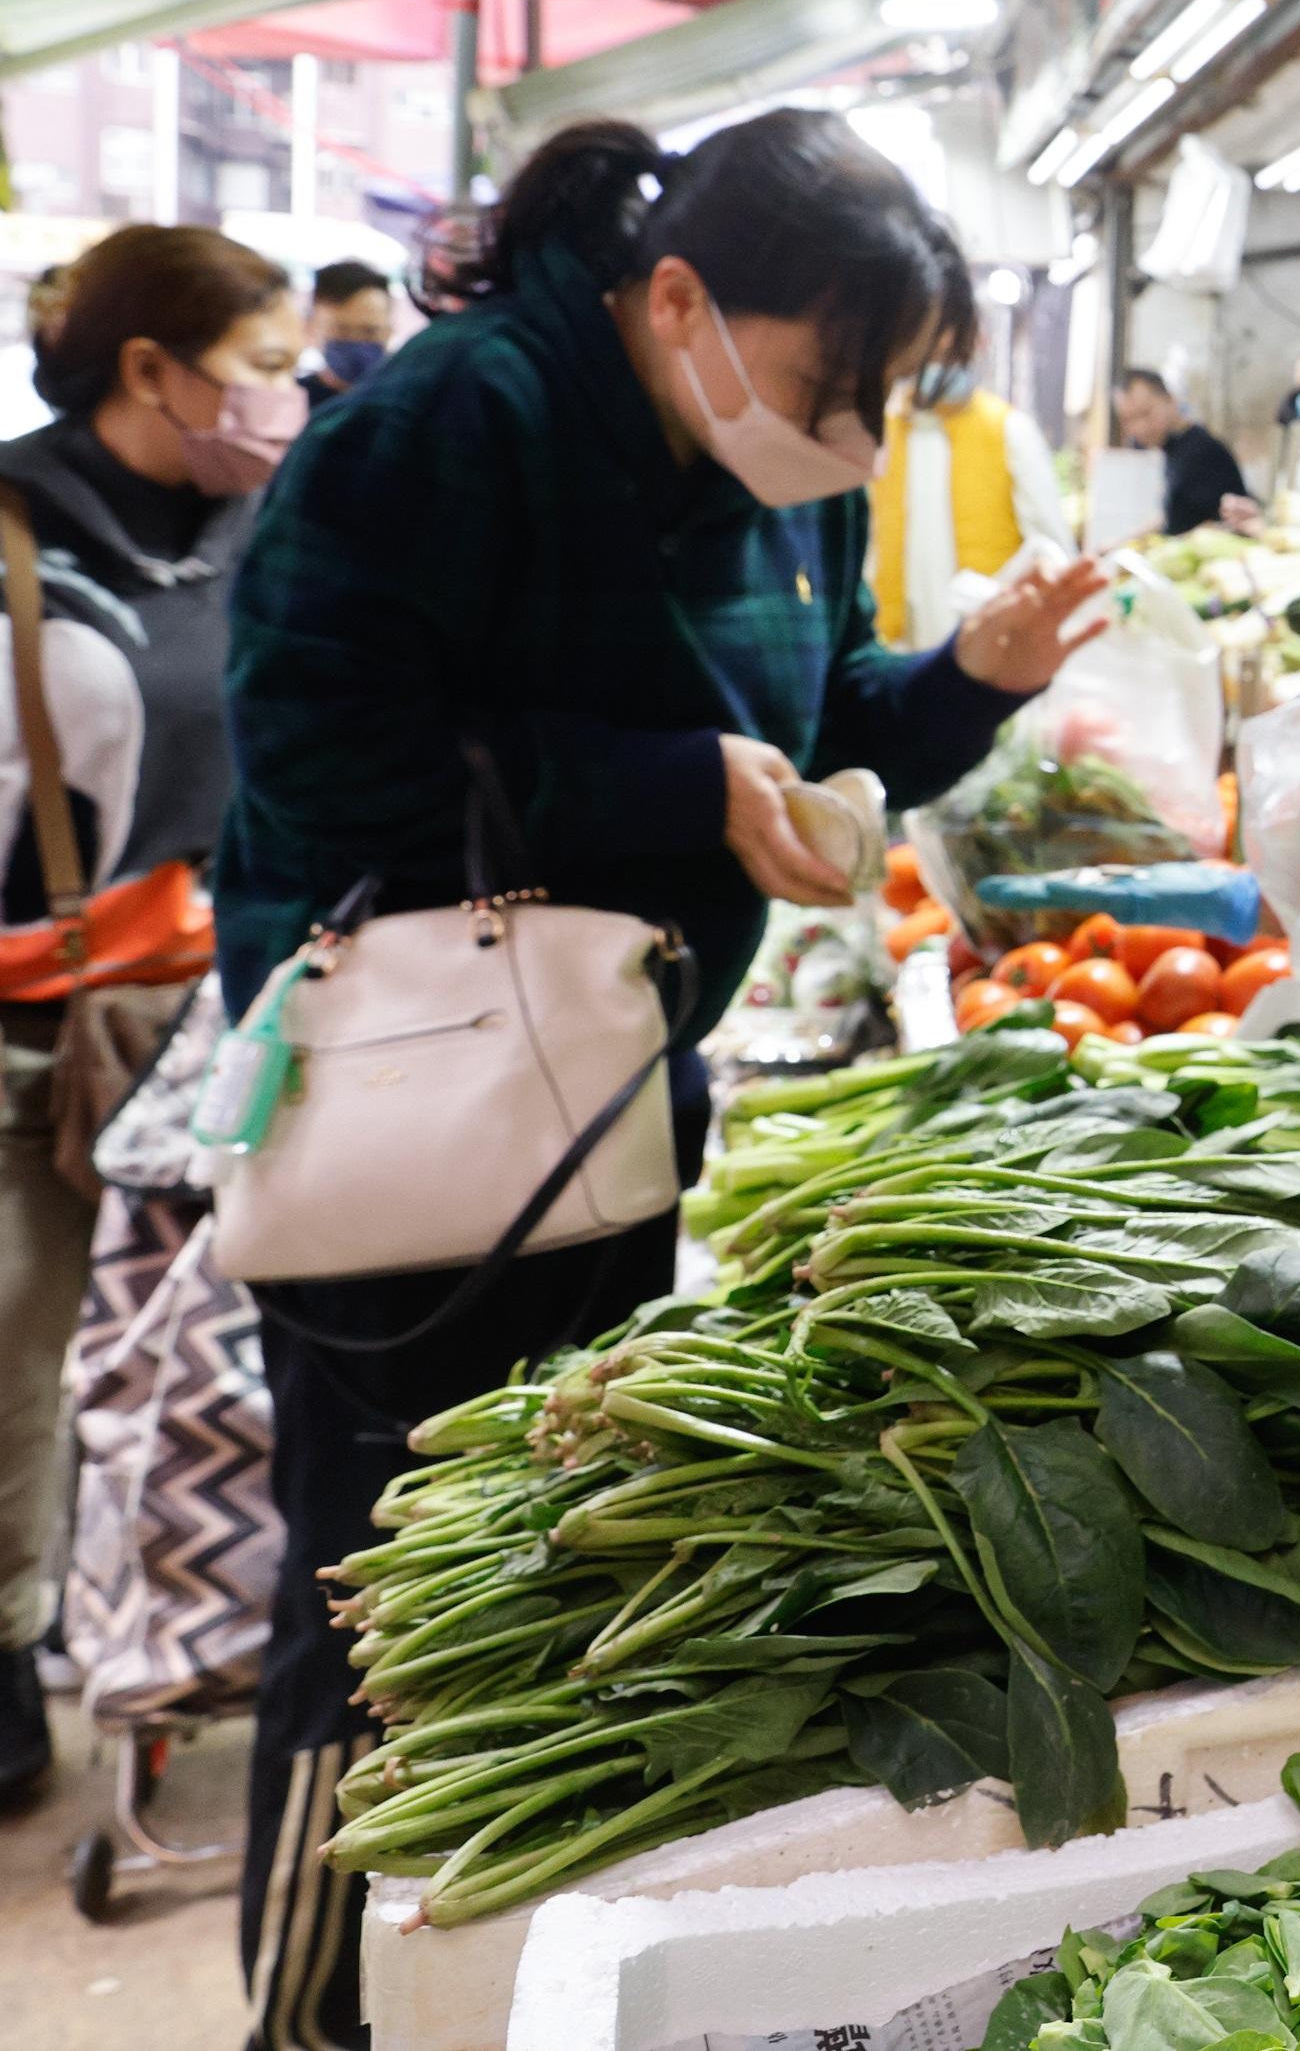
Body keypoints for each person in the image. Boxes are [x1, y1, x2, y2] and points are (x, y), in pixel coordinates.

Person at [213, 111, 1107, 2048]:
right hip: (401, 1124)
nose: (857, 437)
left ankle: (479, 1991)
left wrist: (972, 677)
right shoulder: (454, 424)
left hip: (607, 1101)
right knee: (383, 1597)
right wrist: (669, 789)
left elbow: (822, 720)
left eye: (888, 398)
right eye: (830, 385)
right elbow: (313, 747)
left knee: (544, 1570)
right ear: (678, 298)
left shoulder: (786, 473)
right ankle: (310, 2012)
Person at [0, 225, 291, 1808]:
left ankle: (159, 1635)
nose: (290, 396)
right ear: (149, 370)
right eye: (263, 367)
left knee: (186, 1368)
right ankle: (13, 1672)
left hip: (226, 1002)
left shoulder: (262, 521)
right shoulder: (17, 526)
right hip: (39, 1022)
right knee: (19, 1355)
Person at [871, 357, 1073, 645]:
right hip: (898, 636)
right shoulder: (884, 432)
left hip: (985, 634)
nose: (940, 359)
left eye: (952, 347)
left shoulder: (1006, 428)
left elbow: (1050, 544)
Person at [1114, 366, 1257, 534]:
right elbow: (1174, 517)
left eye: (1146, 413)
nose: (1140, 428)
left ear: (1170, 400)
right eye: (1128, 420)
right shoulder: (1172, 448)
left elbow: (1222, 523)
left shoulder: (1202, 451)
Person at [297, 260, 396, 409]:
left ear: (389, 331)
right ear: (311, 329)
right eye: (341, 330)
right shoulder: (292, 405)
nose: (356, 341)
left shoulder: (411, 403)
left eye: (370, 331)